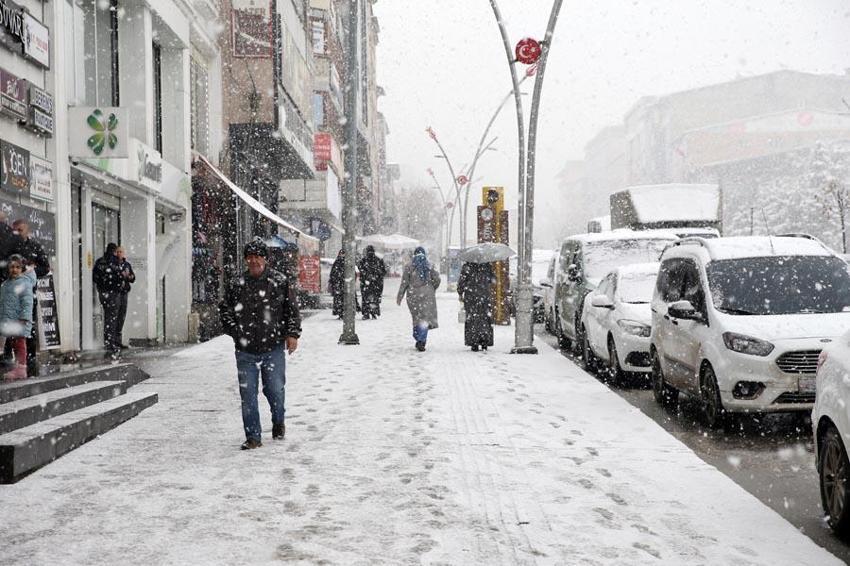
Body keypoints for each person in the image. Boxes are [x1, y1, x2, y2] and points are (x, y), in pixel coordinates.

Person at [219, 239, 301, 450]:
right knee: (248, 395)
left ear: (265, 259)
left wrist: (292, 334)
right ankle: (253, 437)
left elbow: (291, 310)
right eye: (250, 257)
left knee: (275, 390)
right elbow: (225, 310)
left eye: (258, 256)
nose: (254, 261)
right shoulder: (237, 283)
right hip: (245, 350)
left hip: (273, 347)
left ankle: (278, 420)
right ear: (246, 260)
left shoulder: (279, 281)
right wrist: (236, 332)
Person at [10, 220, 49, 375]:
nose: (17, 234)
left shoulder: (34, 246)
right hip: (10, 293)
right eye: (14, 231)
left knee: (28, 326)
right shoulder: (8, 246)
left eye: (20, 230)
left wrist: (30, 272)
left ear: (27, 231)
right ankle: (10, 360)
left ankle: (30, 359)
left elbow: (45, 267)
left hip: (27, 292)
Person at [396, 246, 441, 351]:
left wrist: (400, 296)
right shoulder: (429, 265)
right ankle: (421, 340)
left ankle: (418, 337)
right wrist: (432, 288)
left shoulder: (409, 266)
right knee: (424, 319)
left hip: (413, 296)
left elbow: (404, 283)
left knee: (416, 318)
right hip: (427, 296)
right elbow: (437, 280)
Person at [0, 255, 35, 380]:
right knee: (14, 343)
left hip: (19, 320)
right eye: (12, 267)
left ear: (22, 269)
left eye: (17, 267)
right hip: (9, 320)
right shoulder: (5, 284)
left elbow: (27, 302)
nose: (14, 270)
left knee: (20, 344)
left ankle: (21, 368)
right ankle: (18, 366)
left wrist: (24, 317)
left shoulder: (24, 284)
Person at [92, 243, 123, 359]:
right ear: (114, 251)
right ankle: (111, 342)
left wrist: (101, 287)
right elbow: (120, 276)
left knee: (107, 316)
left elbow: (95, 277)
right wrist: (118, 286)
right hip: (113, 293)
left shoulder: (100, 261)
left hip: (103, 293)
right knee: (113, 318)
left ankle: (108, 341)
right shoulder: (115, 261)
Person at [457, 262, 496, 351]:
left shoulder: (467, 266)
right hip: (484, 296)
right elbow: (493, 279)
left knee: (472, 319)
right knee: (485, 318)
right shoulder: (487, 265)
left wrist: (460, 293)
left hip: (471, 296)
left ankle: (474, 341)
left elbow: (462, 282)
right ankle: (484, 341)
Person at [358, 245, 387, 319]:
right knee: (373, 298)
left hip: (367, 283)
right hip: (374, 283)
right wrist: (376, 276)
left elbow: (360, 269)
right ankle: (373, 312)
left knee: (366, 298)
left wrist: (367, 276)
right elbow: (383, 271)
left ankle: (367, 313)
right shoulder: (378, 260)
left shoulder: (364, 260)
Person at [115, 246, 135, 350]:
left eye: (121, 252)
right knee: (115, 315)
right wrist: (121, 275)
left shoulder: (127, 265)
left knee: (122, 315)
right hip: (116, 293)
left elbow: (132, 277)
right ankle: (113, 341)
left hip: (124, 292)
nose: (119, 253)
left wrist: (129, 276)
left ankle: (118, 340)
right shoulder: (113, 264)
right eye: (118, 252)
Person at [329, 249, 346, 318]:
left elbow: (333, 273)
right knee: (340, 299)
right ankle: (340, 312)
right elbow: (333, 273)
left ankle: (340, 312)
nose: (342, 255)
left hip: (339, 284)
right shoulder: (339, 262)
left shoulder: (338, 262)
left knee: (340, 299)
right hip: (340, 284)